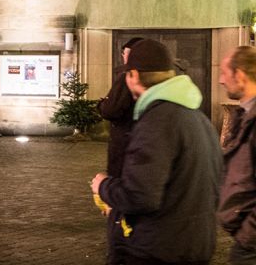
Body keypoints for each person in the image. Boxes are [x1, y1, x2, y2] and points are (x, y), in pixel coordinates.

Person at [91, 39, 222, 264]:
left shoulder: (157, 121)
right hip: (193, 243)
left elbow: (140, 196)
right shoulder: (197, 117)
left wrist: (103, 186)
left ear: (133, 75)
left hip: (157, 249)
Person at [96, 37, 142, 264]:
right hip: (131, 145)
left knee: (120, 195)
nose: (123, 57)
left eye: (125, 52)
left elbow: (112, 108)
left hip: (124, 145)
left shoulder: (126, 77)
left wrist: (101, 104)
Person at [218, 46, 256, 264]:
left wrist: (247, 237)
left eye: (224, 73)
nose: (221, 80)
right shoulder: (244, 114)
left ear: (240, 75)